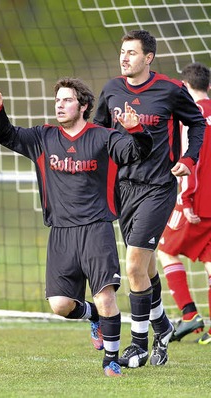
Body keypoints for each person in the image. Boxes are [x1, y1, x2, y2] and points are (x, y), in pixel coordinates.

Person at [0, 77, 153, 377]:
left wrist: (136, 129)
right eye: (58, 100)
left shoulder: (102, 137)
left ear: (84, 105)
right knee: (61, 305)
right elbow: (8, 137)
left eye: (67, 100)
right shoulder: (43, 136)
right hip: (61, 232)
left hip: (96, 229)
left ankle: (110, 360)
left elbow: (139, 151)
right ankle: (94, 318)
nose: (60, 105)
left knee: (106, 297)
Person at [93, 29, 206, 368]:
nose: (124, 57)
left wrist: (189, 159)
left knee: (133, 267)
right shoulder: (111, 90)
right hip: (124, 190)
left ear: (148, 58)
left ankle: (139, 344)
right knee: (145, 266)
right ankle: (163, 325)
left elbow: (198, 123)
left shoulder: (171, 90)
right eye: (122, 52)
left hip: (159, 188)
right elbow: (97, 132)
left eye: (131, 52)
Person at [157, 62, 211, 345]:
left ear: (185, 89)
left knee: (165, 249)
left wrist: (186, 200)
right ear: (209, 87)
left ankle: (189, 315)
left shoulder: (189, 117)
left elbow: (192, 160)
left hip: (197, 202)